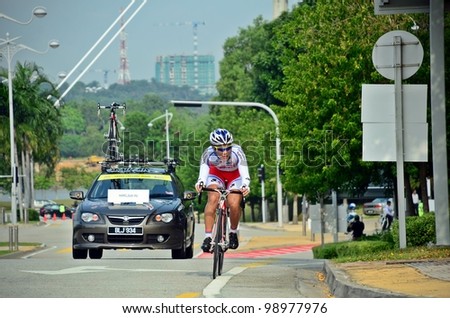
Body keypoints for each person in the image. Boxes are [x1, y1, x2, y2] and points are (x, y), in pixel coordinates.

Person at [195, 128, 250, 252]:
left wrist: (245, 185)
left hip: (234, 176)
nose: (225, 152)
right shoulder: (207, 153)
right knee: (213, 198)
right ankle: (208, 238)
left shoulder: (237, 151)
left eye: (227, 148)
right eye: (220, 149)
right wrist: (200, 182)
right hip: (216, 175)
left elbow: (244, 173)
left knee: (234, 203)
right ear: (214, 148)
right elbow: (203, 173)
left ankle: (233, 232)